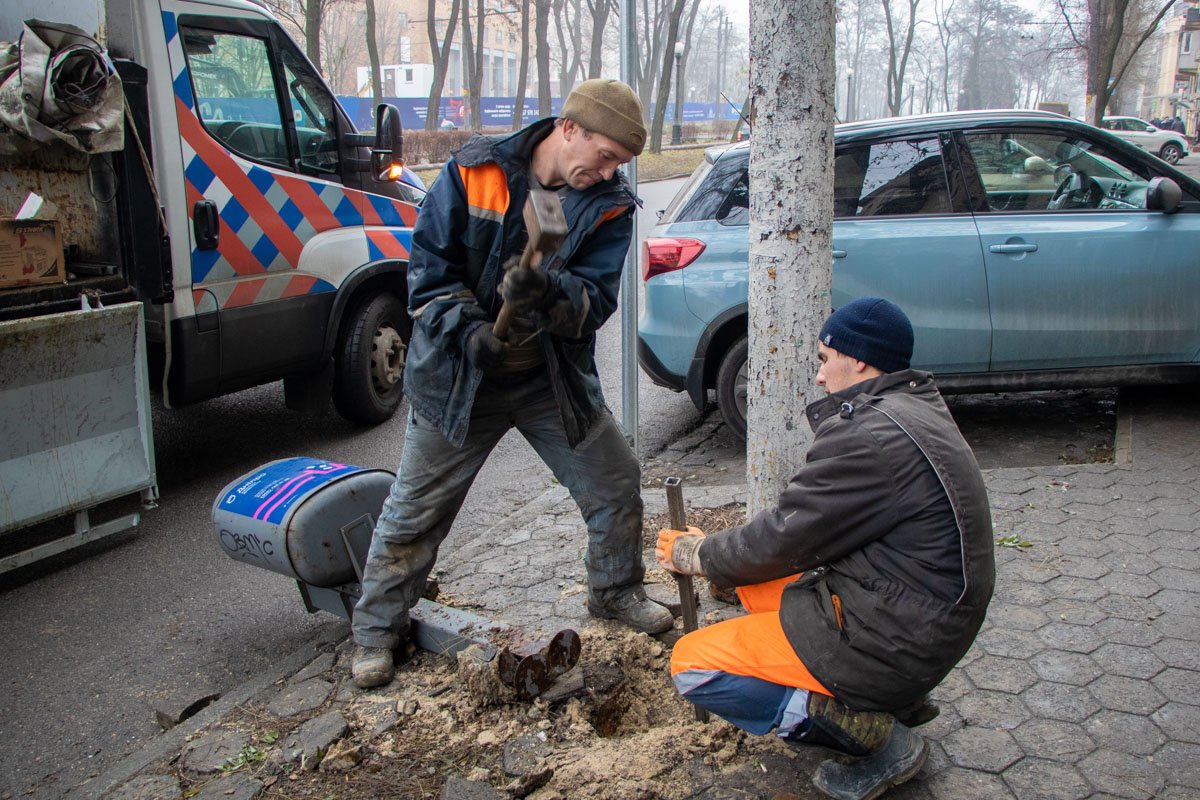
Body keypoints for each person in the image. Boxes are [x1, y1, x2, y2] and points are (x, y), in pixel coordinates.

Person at [350, 79, 673, 689]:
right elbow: (426, 274)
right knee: (416, 510)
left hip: (548, 380)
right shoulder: (476, 171)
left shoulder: (608, 205)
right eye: (605, 156)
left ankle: (614, 591)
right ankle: (375, 631)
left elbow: (595, 302)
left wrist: (549, 293)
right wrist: (470, 329)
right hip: (460, 380)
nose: (608, 173)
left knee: (615, 481)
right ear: (570, 127)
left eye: (620, 165)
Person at [656, 297, 994, 800]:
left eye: (823, 359)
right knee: (751, 584)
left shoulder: (871, 437)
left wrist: (697, 556)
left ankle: (876, 735)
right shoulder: (911, 406)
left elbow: (783, 535)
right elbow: (793, 536)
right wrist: (723, 559)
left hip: (900, 636)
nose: (818, 376)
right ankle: (885, 697)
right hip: (917, 613)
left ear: (857, 359)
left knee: (693, 665)